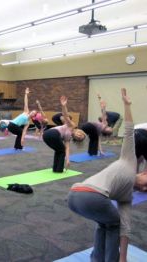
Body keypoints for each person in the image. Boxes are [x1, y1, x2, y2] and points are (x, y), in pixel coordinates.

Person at [68, 88, 145, 262]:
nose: (145, 187)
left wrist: (123, 257)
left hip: (77, 197)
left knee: (107, 223)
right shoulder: (128, 159)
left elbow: (126, 229)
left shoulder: (126, 197)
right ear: (144, 171)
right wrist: (127, 105)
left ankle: (97, 258)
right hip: (84, 194)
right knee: (111, 224)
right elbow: (129, 131)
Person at [42, 96, 86, 173]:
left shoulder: (68, 138)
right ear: (79, 131)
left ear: (76, 139)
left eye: (79, 138)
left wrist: (68, 160)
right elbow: (65, 116)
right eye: (80, 134)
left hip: (46, 136)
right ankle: (59, 170)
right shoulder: (72, 125)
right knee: (61, 150)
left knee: (59, 150)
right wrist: (64, 106)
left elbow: (67, 149)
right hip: (51, 133)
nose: (79, 136)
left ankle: (55, 169)